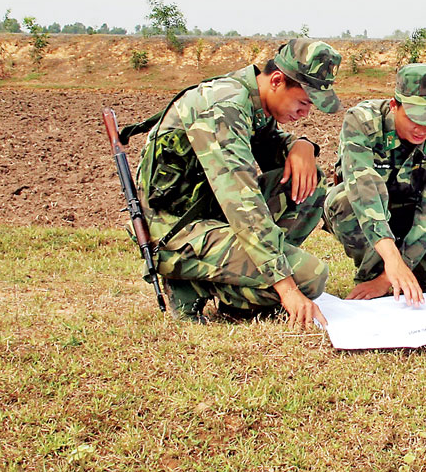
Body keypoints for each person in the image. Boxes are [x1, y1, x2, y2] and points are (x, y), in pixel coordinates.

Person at [135, 38, 342, 328]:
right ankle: (193, 285)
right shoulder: (224, 106)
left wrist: (302, 145)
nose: (306, 113)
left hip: (210, 216)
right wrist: (287, 288)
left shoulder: (250, 100)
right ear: (277, 81)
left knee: (311, 181)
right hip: (176, 232)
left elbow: (271, 146)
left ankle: (246, 286)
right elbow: (243, 203)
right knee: (310, 276)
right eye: (304, 101)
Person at [325, 63, 426, 303]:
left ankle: (405, 279)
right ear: (394, 105)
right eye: (416, 118)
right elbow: (364, 192)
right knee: (344, 200)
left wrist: (391, 274)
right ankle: (372, 276)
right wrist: (391, 259)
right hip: (365, 209)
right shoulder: (362, 122)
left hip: (410, 213)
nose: (424, 129)